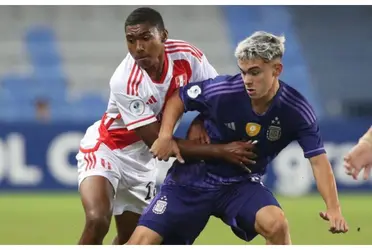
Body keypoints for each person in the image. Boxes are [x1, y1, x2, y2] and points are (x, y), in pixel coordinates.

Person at [127, 31, 349, 245]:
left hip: (240, 184)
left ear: (277, 70)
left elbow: (318, 161)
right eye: (243, 72)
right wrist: (166, 136)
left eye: (255, 72)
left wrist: (334, 208)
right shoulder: (224, 89)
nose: (247, 80)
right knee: (141, 242)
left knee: (276, 224)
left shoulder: (297, 110)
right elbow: (180, 98)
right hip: (191, 179)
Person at [76, 7, 256, 245]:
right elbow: (157, 141)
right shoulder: (125, 81)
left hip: (142, 164)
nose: (138, 47)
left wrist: (201, 120)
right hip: (108, 149)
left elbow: (216, 97)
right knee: (98, 220)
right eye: (131, 41)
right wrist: (222, 152)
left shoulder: (188, 57)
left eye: (145, 37)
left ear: (163, 35)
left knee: (132, 240)